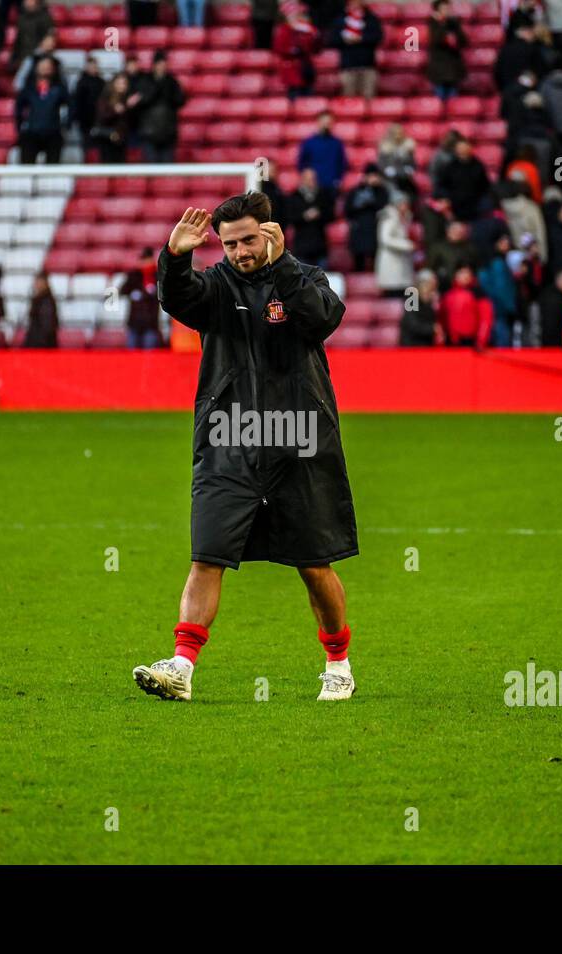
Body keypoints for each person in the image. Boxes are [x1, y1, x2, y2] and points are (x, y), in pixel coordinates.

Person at [136, 195, 359, 703]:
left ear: (272, 233)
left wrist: (283, 269)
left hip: (298, 440)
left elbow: (323, 318)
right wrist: (174, 259)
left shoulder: (305, 278)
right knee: (207, 555)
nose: (239, 251)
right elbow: (178, 299)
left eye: (248, 240)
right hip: (228, 440)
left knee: (313, 562)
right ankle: (181, 668)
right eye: (230, 243)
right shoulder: (216, 286)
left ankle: (338, 663)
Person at [132, 52, 185, 163]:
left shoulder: (172, 82)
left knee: (167, 170)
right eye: (159, 64)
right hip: (148, 132)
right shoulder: (145, 81)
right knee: (150, 167)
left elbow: (180, 100)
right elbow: (140, 101)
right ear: (154, 65)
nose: (162, 67)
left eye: (164, 64)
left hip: (168, 132)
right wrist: (156, 87)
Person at [15, 58, 69, 165]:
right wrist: (20, 125)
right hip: (31, 132)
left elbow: (71, 106)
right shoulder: (28, 88)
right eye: (42, 65)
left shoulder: (60, 89)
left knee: (53, 168)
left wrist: (66, 124)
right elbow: (18, 107)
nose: (45, 68)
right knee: (26, 166)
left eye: (48, 66)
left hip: (53, 131)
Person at [326, 0, 382, 99]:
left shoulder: (370, 19)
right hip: (348, 66)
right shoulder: (341, 20)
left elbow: (377, 37)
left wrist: (361, 39)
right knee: (349, 98)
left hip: (367, 65)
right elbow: (332, 40)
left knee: (369, 97)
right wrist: (345, 40)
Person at [434, 138, 492, 226]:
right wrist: (445, 199)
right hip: (454, 206)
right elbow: (441, 185)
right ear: (456, 150)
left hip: (474, 206)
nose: (463, 150)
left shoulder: (478, 166)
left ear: (470, 148)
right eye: (460, 147)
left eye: (465, 147)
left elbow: (485, 186)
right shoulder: (450, 166)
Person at [286, 167, 335, 269]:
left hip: (319, 245)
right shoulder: (294, 197)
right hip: (301, 247)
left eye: (313, 179)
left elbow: (331, 215)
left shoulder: (322, 196)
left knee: (321, 280)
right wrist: (304, 216)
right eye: (308, 179)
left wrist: (319, 214)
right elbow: (289, 217)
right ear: (302, 180)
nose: (311, 182)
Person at [343, 164, 389, 272]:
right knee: (359, 264)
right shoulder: (355, 191)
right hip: (359, 231)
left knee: (377, 265)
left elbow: (384, 206)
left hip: (376, 231)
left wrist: (373, 195)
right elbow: (347, 210)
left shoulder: (382, 191)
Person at [273, 2, 321, 100]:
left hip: (306, 68)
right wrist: (293, 50)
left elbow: (315, 48)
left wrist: (315, 36)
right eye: (292, 16)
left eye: (297, 15)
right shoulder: (284, 30)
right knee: (295, 94)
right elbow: (279, 48)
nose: (295, 18)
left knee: (308, 95)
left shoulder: (306, 29)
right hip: (292, 69)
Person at [439, 264, 491, 346]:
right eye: (462, 273)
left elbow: (485, 319)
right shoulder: (448, 294)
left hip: (469, 340)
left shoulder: (477, 294)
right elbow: (442, 317)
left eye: (467, 273)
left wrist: (481, 340)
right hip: (450, 341)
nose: (465, 276)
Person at [296, 112, 347, 192]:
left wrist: (338, 180)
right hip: (313, 186)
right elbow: (302, 164)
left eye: (329, 123)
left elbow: (342, 163)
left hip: (331, 186)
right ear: (318, 122)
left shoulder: (337, 143)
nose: (326, 125)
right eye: (324, 122)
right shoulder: (309, 143)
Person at [426, 0, 467, 101]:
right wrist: (441, 23)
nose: (447, 11)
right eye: (444, 8)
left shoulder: (454, 23)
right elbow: (436, 39)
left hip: (453, 69)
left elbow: (464, 41)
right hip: (439, 70)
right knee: (439, 104)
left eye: (448, 8)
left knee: (454, 106)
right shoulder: (433, 23)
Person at [375, 198, 415, 297]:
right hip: (391, 262)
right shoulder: (389, 217)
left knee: (405, 295)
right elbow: (385, 239)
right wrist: (406, 245)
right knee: (392, 293)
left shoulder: (406, 217)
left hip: (403, 263)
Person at [122, 248, 162, 348]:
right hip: (134, 322)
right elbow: (122, 290)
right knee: (131, 355)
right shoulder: (134, 276)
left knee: (149, 354)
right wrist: (133, 292)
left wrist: (151, 294)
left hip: (151, 323)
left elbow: (163, 295)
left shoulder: (157, 276)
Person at [93, 73, 134, 163]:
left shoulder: (126, 98)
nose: (122, 86)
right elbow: (102, 117)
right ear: (114, 84)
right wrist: (116, 111)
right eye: (120, 83)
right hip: (107, 140)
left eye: (124, 83)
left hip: (121, 140)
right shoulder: (105, 98)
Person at [535, 267, 562, 346]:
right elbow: (551, 328)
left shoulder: (558, 297)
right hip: (553, 346)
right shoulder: (555, 301)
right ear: (561, 281)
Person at [399, 269, 440, 345]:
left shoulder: (429, 301)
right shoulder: (411, 298)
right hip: (412, 346)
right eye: (430, 286)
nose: (432, 291)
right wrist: (432, 329)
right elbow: (413, 325)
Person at [12, 0, 55, 72]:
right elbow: (18, 40)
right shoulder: (21, 18)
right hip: (23, 56)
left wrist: (40, 52)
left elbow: (50, 36)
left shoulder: (45, 17)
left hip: (39, 56)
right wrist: (15, 57)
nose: (27, 2)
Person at [23, 272, 58, 347]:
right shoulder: (39, 299)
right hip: (37, 342)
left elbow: (47, 326)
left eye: (38, 281)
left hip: (42, 345)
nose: (36, 284)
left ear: (45, 283)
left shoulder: (46, 301)